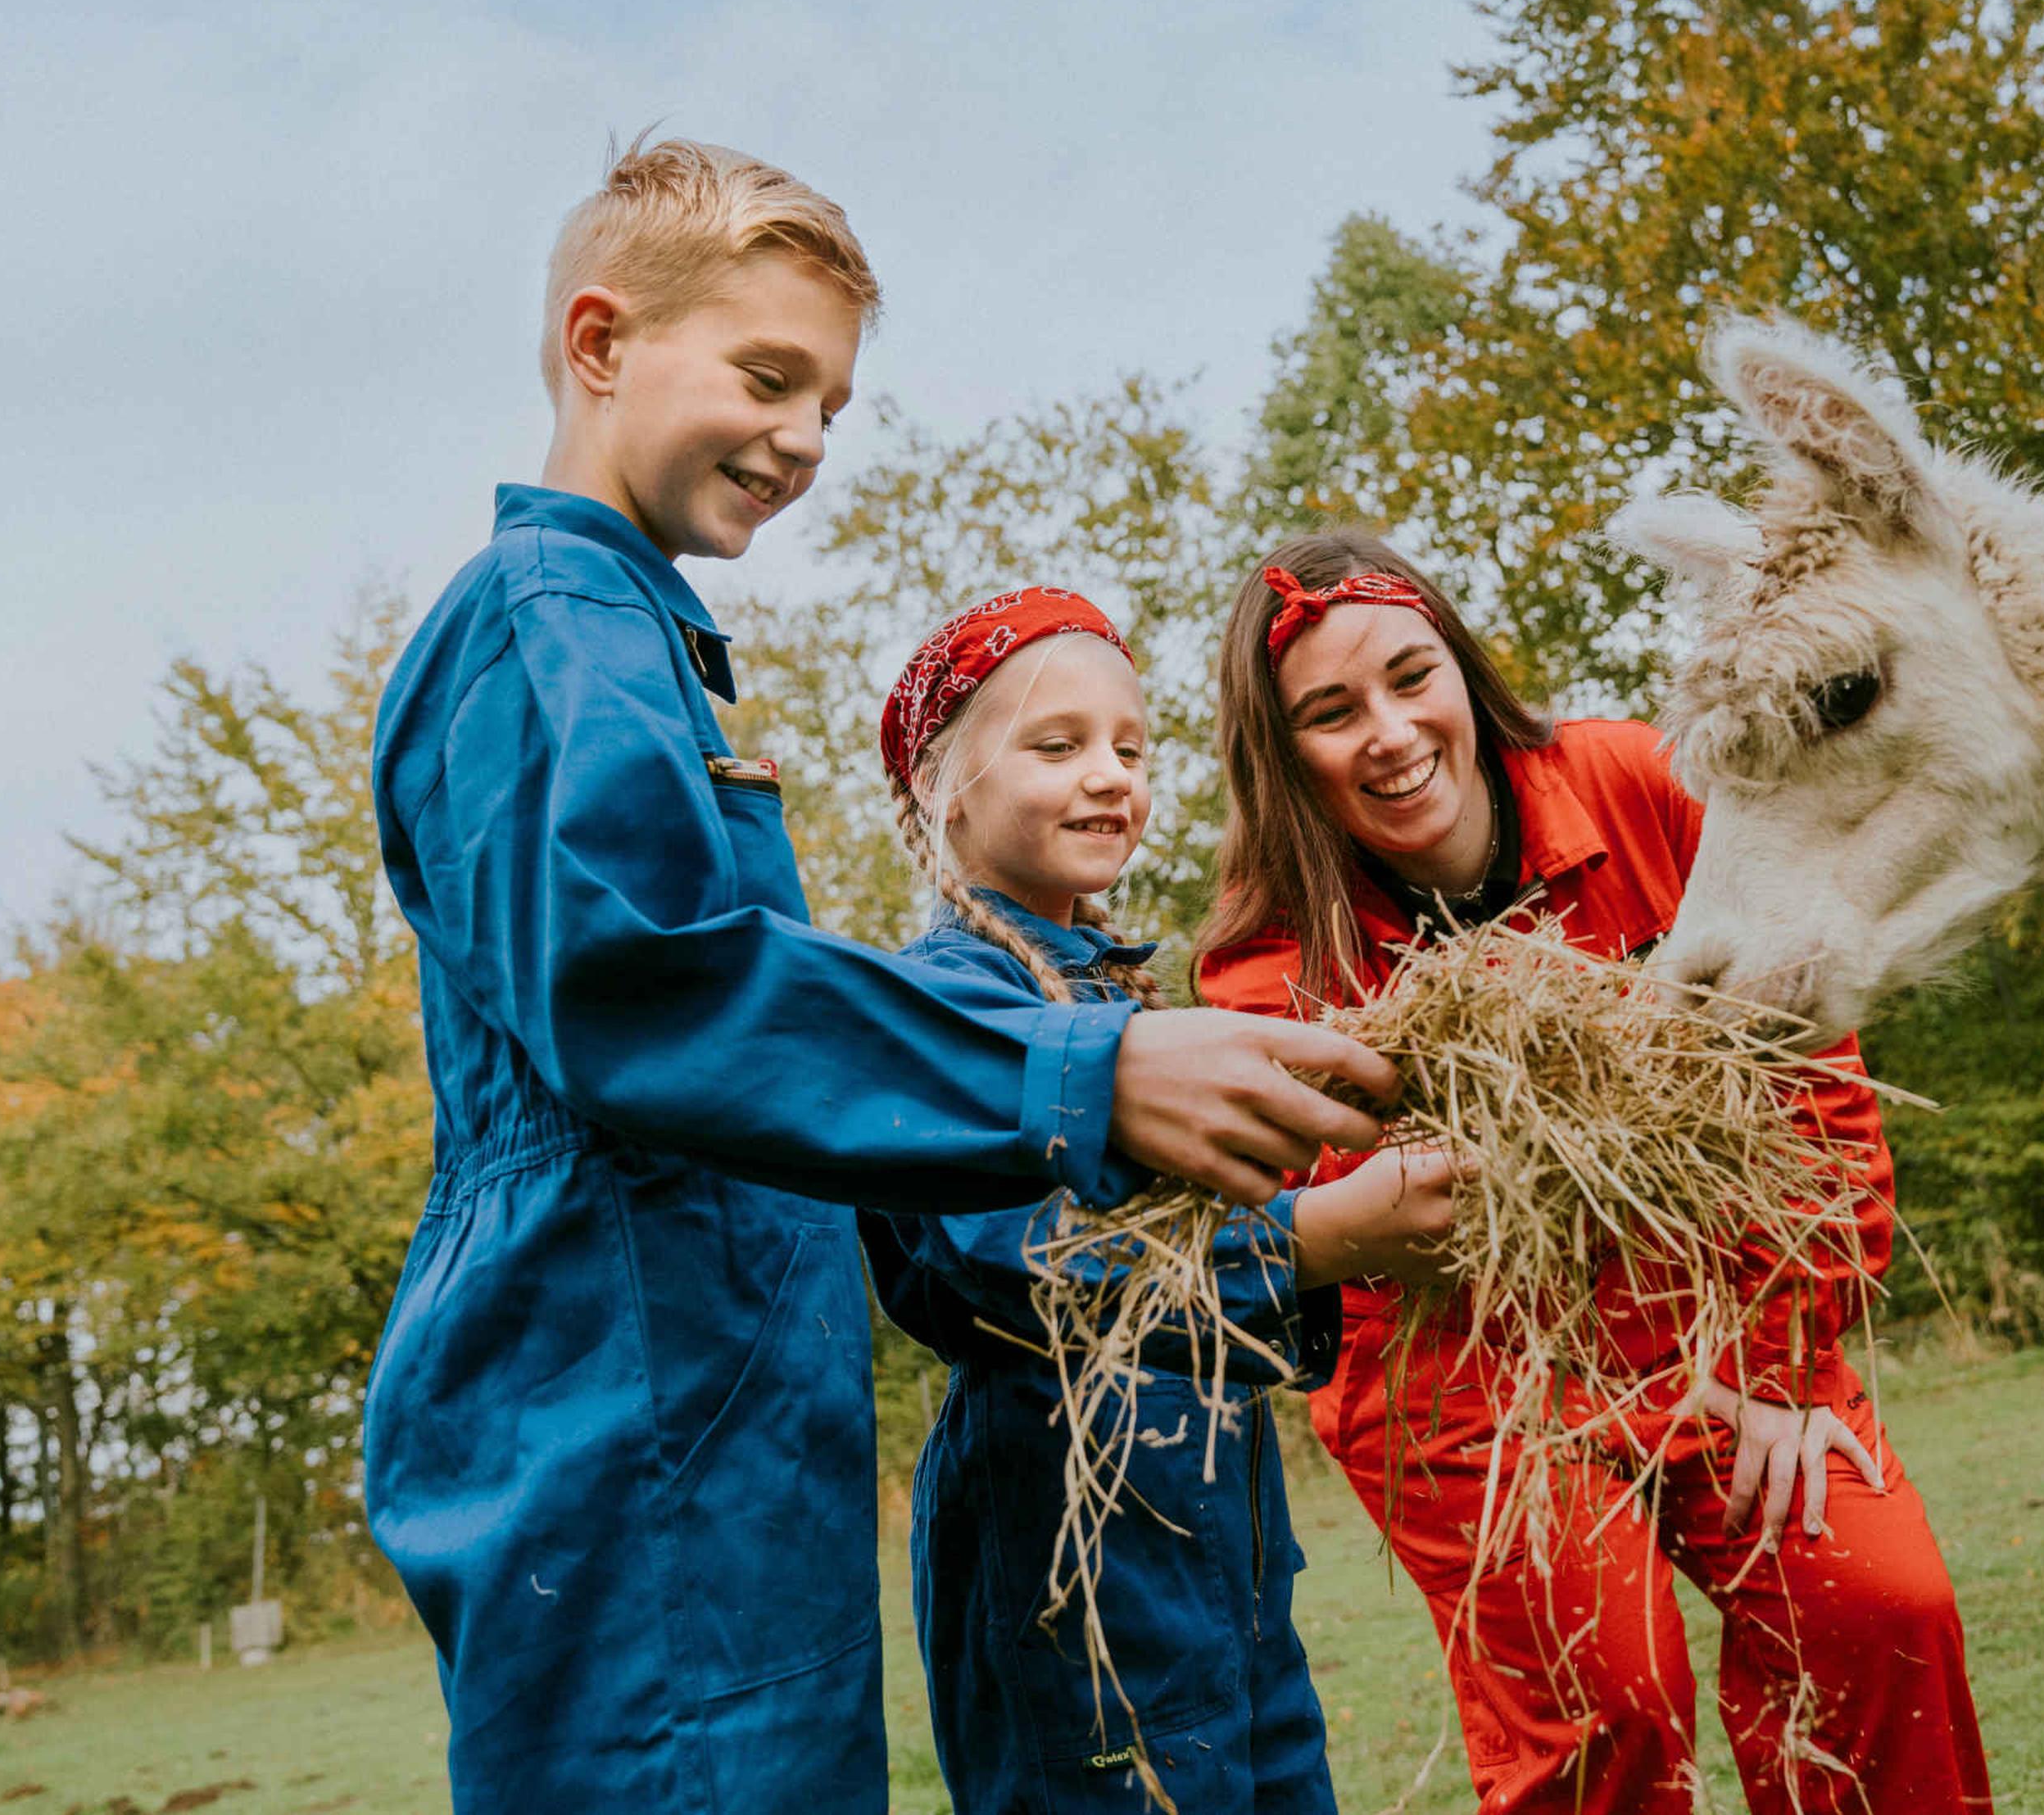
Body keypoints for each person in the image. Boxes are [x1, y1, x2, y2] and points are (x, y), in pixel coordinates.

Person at [365, 141, 1390, 1815]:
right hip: (621, 1427)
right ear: (599, 340)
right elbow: (650, 986)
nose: (800, 440)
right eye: (767, 377)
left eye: (832, 406)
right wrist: (1093, 1078)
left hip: (724, 1434)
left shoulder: (635, 636)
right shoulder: (547, 622)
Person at [1193, 530, 1995, 1815]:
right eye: (1331, 714)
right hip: (1474, 1383)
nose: (1391, 733)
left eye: (1411, 677)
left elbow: (1819, 1086)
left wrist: (1775, 1365)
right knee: (1611, 1696)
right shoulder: (1270, 960)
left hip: (1728, 1328)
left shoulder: (1645, 784)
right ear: (1283, 754)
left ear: (1459, 667)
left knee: (1879, 1606)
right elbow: (1306, 1230)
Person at [857, 585, 1457, 1812]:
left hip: (1217, 1539)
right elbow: (1021, 1264)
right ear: (944, 786)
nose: (1111, 777)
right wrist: (1318, 1242)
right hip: (1062, 1554)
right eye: (1058, 745)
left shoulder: (1120, 997)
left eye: (1133, 748)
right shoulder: (945, 1008)